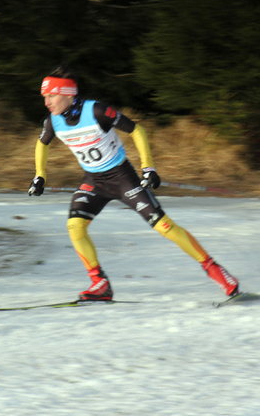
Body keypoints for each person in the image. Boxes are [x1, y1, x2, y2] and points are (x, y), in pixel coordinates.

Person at [28, 64, 239, 301]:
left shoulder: (96, 110)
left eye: (51, 95)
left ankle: (217, 271)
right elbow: (42, 143)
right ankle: (100, 283)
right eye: (44, 96)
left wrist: (148, 167)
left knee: (163, 226)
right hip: (94, 181)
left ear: (68, 94)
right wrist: (40, 175)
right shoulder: (53, 121)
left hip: (122, 177)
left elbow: (137, 130)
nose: (47, 101)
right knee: (75, 227)